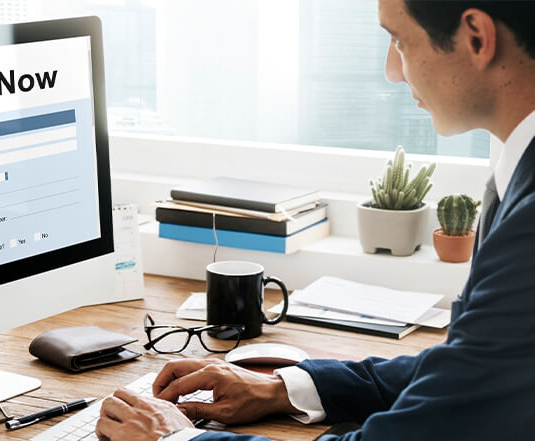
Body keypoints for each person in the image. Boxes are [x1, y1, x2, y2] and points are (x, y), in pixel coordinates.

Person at [95, 0, 535, 440]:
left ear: (477, 38)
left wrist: (178, 438)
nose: (392, 71)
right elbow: (470, 368)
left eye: (399, 40)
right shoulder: (517, 171)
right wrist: (283, 389)